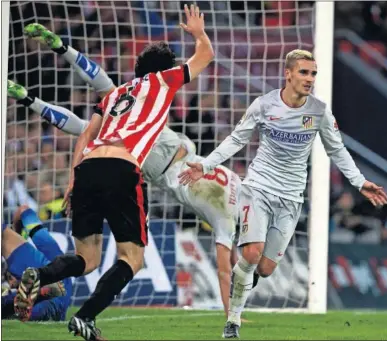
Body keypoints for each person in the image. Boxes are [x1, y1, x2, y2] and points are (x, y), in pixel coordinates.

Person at [9, 18, 239, 319]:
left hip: (98, 163)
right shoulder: (161, 87)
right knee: (131, 258)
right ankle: (85, 318)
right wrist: (198, 33)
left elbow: (85, 132)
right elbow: (205, 55)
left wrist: (71, 177)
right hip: (146, 164)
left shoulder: (123, 95)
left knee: (85, 257)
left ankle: (37, 88)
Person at [179, 49, 387, 338]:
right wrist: (205, 165)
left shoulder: (318, 111)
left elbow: (336, 149)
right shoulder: (264, 105)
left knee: (264, 269)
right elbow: (236, 140)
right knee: (251, 253)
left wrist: (359, 181)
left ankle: (239, 284)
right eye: (304, 72)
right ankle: (233, 321)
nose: (310, 78)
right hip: (258, 188)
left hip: (291, 198)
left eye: (313, 73)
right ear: (288, 74)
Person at [2, 205, 71, 322]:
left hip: (52, 297)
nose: (11, 282)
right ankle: (38, 294)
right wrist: (17, 233)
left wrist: (16, 234)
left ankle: (36, 296)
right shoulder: (48, 245)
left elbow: (22, 210)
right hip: (60, 291)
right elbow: (23, 209)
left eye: (10, 280)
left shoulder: (19, 263)